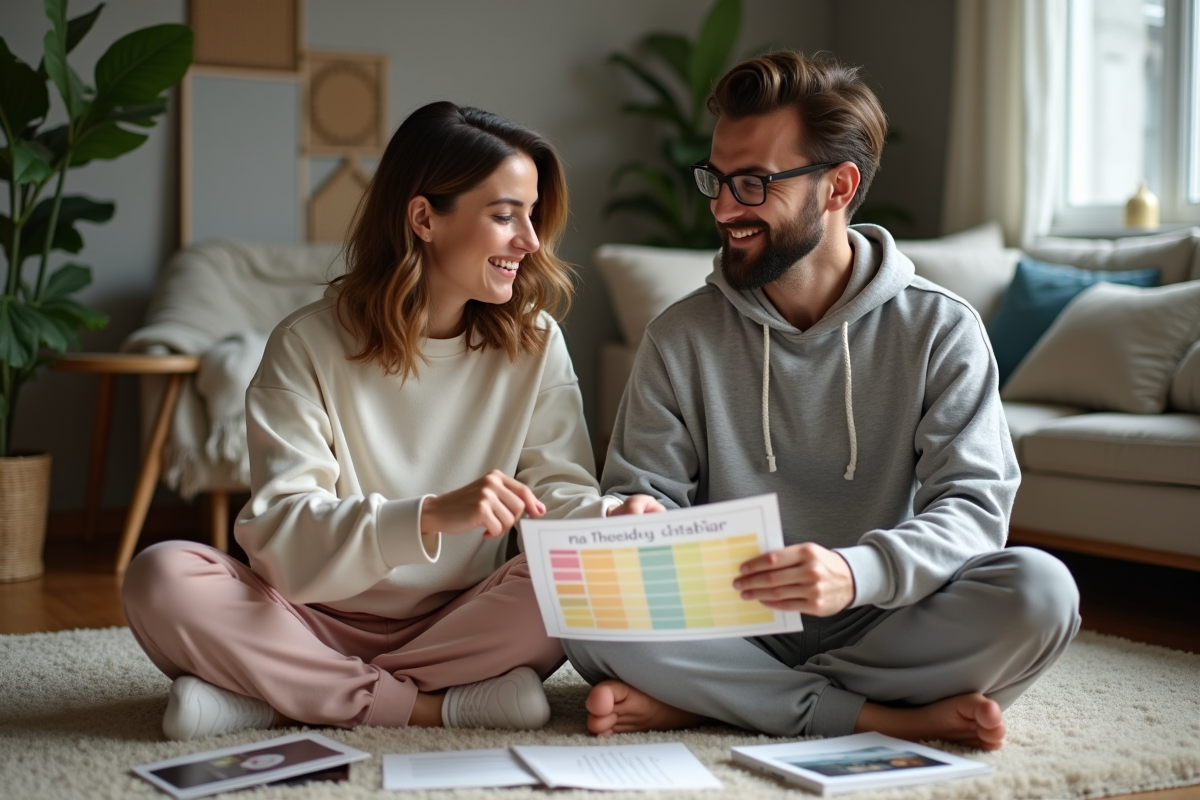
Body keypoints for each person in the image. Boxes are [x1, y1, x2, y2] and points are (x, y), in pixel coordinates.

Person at [563, 52, 1081, 751]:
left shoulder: (941, 328)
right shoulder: (679, 336)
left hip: (885, 615)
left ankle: (717, 703)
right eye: (716, 180)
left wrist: (854, 572)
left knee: (1043, 593)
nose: (721, 208)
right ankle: (870, 715)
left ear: (838, 187)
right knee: (578, 614)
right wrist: (641, 517)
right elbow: (639, 493)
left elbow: (973, 508)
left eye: (751, 183)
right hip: (729, 623)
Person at [122, 101, 657, 741]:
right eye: (505, 215)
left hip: (457, 622)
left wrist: (608, 521)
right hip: (305, 614)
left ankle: (277, 697)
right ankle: (428, 707)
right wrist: (429, 516)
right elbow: (283, 537)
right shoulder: (304, 345)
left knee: (576, 580)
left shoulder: (536, 343)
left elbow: (555, 497)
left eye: (532, 216)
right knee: (161, 577)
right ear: (424, 217)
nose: (530, 241)